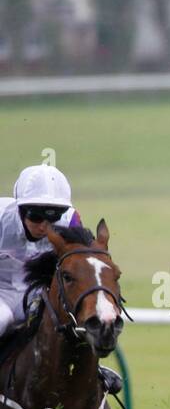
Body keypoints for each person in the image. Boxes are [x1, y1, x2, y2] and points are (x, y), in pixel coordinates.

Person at [0, 164, 122, 393]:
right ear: (20, 208)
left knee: (64, 317)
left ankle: (94, 370)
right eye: (35, 215)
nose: (45, 225)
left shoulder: (71, 219)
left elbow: (84, 263)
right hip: (1, 291)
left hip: (35, 290)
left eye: (53, 216)